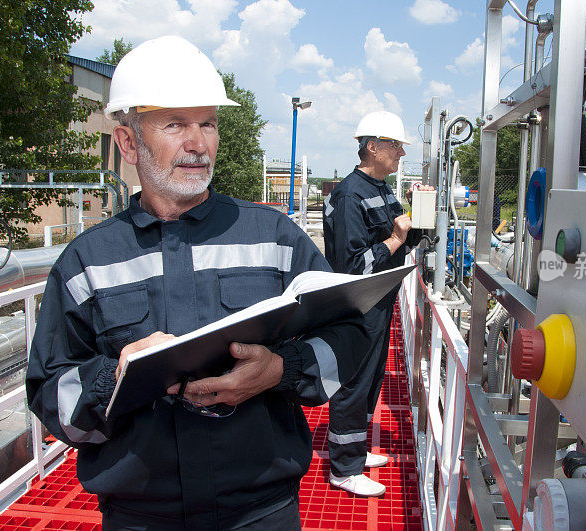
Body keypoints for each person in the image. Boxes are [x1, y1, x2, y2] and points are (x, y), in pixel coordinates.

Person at [26, 36, 368, 530]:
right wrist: (113, 381)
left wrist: (279, 369)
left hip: (261, 510)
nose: (197, 143)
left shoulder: (273, 237)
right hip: (142, 516)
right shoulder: (87, 262)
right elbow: (48, 395)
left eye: (207, 123)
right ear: (128, 143)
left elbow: (349, 334)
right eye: (174, 125)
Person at [322, 111, 428, 496]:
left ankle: (356, 447)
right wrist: (396, 241)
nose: (401, 152)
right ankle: (344, 468)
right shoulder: (351, 194)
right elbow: (352, 265)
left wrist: (419, 223)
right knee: (354, 381)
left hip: (380, 300)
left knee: (370, 379)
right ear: (373, 146)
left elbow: (399, 236)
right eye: (396, 145)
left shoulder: (380, 188)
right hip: (357, 303)